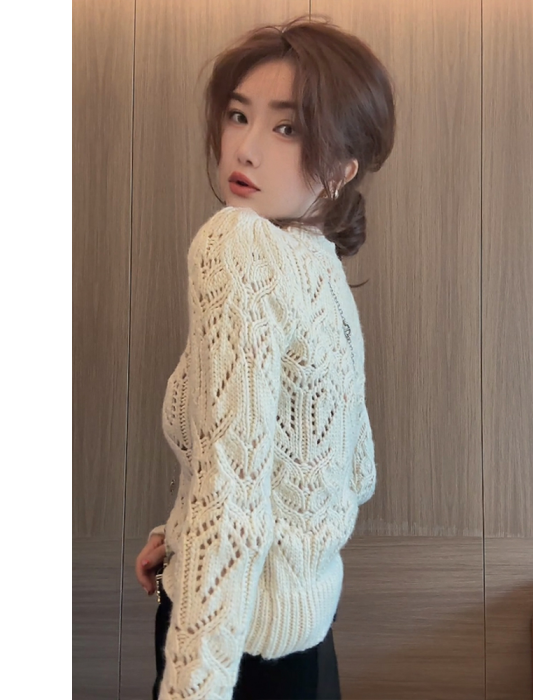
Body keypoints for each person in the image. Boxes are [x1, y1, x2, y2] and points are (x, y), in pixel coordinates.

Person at [134, 14, 396, 700]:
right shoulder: (320, 268)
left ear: (340, 168)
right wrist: (179, 535)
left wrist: (193, 687)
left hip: (234, 654)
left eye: (286, 128)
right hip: (306, 637)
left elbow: (233, 497)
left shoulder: (236, 244)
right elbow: (352, 470)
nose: (245, 149)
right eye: (237, 115)